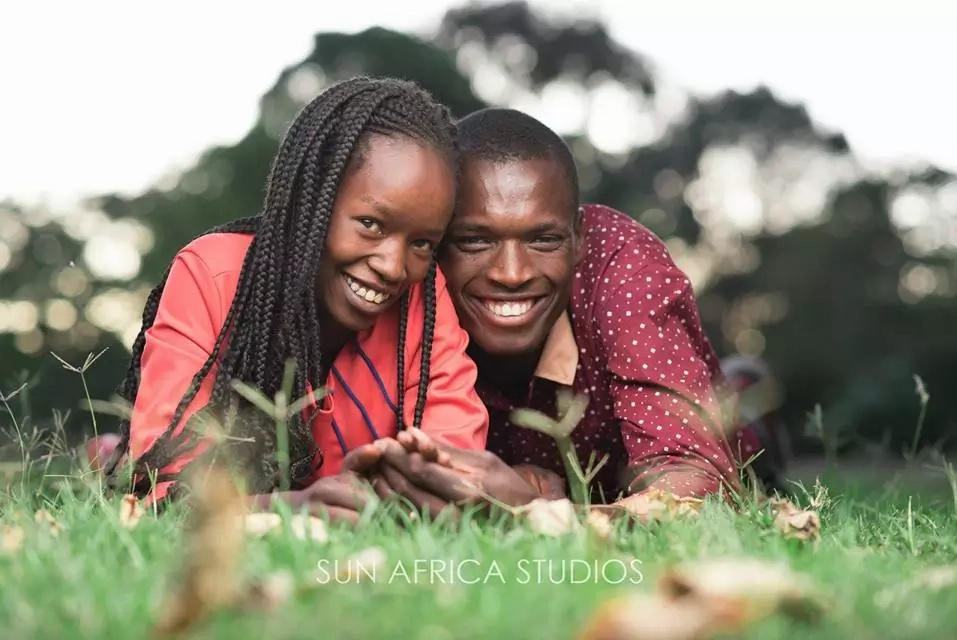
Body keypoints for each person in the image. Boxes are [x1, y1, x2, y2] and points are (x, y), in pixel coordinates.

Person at [349, 107, 790, 516]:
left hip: (691, 446)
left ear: (578, 238)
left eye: (543, 240)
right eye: (475, 241)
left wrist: (540, 516)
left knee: (747, 437)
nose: (511, 273)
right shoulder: (399, 276)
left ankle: (750, 400)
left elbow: (698, 484)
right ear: (436, 238)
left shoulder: (624, 268)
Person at [98, 76, 489, 520]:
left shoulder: (424, 297)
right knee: (104, 456)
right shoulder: (214, 274)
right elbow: (158, 490)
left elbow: (458, 477)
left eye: (422, 243)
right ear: (313, 198)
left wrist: (422, 487)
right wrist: (293, 508)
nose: (394, 265)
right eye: (371, 224)